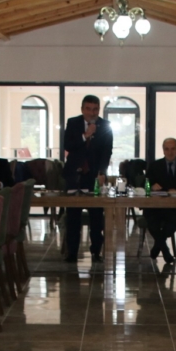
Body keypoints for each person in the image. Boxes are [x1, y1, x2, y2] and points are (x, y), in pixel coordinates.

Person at [62, 94, 113, 262]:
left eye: (95, 109)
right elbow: (68, 145)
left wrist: (102, 172)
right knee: (73, 217)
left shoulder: (105, 126)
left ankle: (96, 252)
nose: (92, 113)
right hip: (74, 176)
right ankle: (72, 253)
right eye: (88, 109)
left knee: (96, 217)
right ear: (82, 109)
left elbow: (106, 151)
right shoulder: (73, 123)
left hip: (93, 176)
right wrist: (85, 135)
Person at [144, 137, 176, 263]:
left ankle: (158, 246)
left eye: (173, 149)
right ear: (163, 150)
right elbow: (145, 183)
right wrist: (151, 185)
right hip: (156, 208)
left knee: (173, 221)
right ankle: (165, 250)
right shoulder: (155, 165)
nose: (170, 152)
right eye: (167, 149)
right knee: (151, 220)